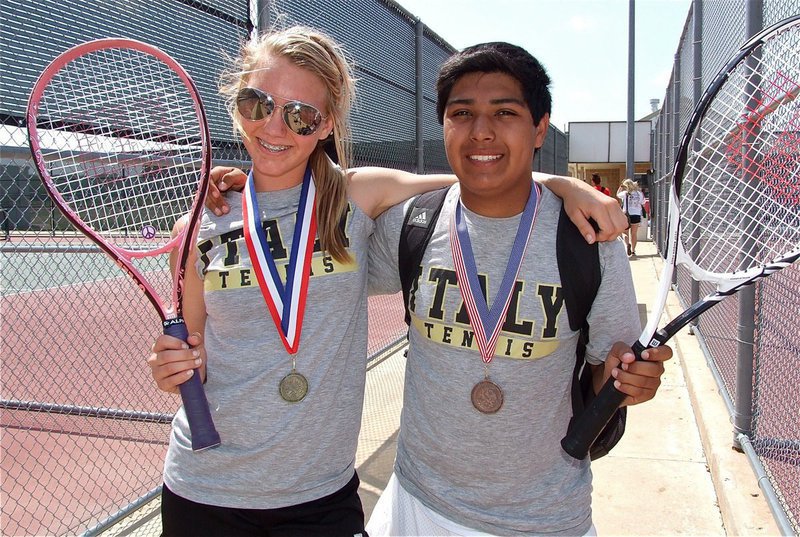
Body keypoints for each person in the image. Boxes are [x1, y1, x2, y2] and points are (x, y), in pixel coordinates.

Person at [146, 27, 630, 536]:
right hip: (202, 488)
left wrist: (566, 184)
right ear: (236, 104)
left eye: (300, 115)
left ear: (326, 123)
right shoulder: (198, 224)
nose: (275, 126)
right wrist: (173, 366)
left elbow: (480, 175)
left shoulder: (356, 198)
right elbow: (194, 364)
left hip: (320, 498)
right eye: (256, 104)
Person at [365, 42, 672, 536]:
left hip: (543, 517)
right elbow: (323, 224)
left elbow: (604, 370)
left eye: (504, 112)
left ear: (539, 128)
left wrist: (626, 383)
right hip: (415, 503)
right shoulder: (412, 223)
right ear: (443, 124)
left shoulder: (589, 240)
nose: (480, 130)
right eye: (461, 113)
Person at [618, 178, 646, 256]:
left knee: (624, 233)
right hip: (636, 215)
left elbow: (617, 194)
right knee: (634, 234)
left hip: (626, 215)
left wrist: (620, 187)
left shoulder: (625, 193)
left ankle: (627, 244)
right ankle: (633, 251)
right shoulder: (639, 193)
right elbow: (643, 203)